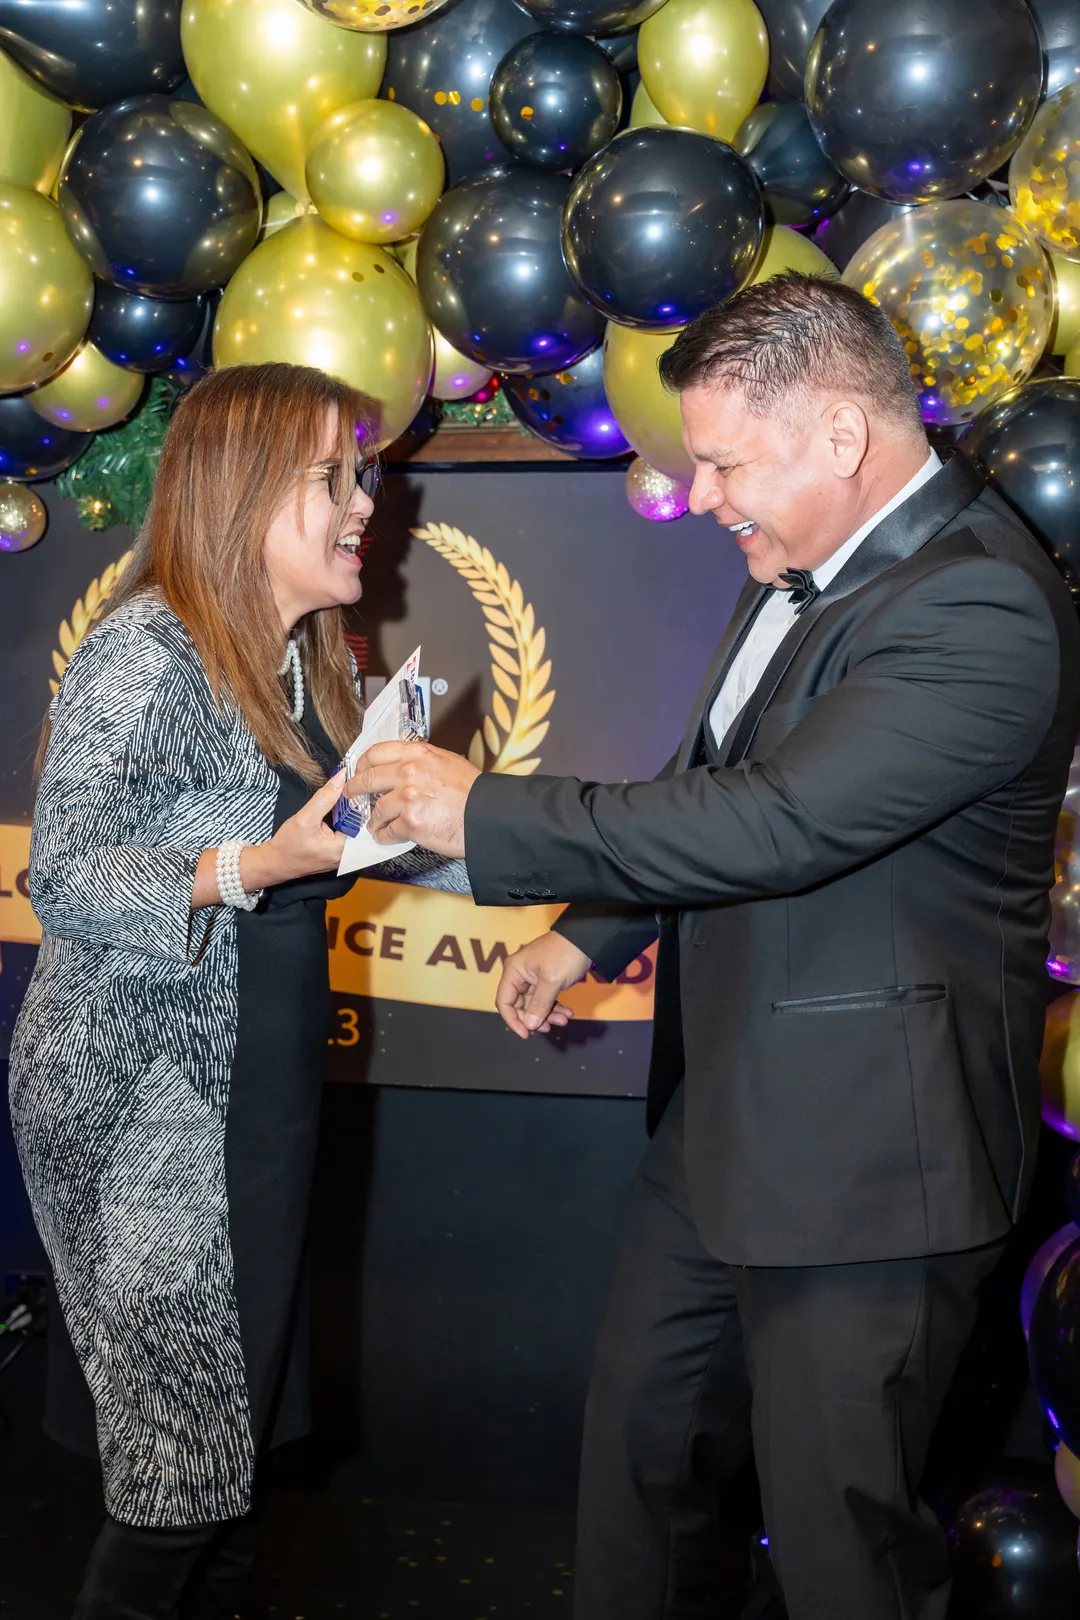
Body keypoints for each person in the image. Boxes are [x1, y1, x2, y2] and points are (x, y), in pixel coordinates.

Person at [346, 273, 1080, 1620]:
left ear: (844, 439)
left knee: (838, 1547)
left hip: (869, 1164)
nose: (704, 495)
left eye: (728, 462)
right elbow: (718, 776)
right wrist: (587, 937)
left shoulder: (981, 607)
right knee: (637, 1457)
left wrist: (484, 812)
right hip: (727, 1118)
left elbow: (779, 821)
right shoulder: (799, 561)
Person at [8, 361, 465, 1620]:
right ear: (244, 488)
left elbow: (393, 837)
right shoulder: (145, 648)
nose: (366, 501)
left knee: (231, 1476)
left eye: (360, 471)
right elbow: (68, 877)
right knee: (179, 1488)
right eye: (333, 475)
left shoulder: (313, 659)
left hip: (249, 1110)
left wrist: (588, 875)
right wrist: (260, 860)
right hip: (139, 1112)